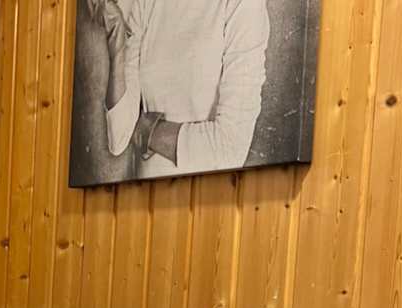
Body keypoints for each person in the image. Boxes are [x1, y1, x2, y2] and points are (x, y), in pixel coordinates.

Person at [92, 0, 270, 178]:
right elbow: (118, 137)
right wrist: (117, 41)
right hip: (145, 189)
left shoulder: (245, 5)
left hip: (208, 190)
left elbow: (230, 149)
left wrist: (146, 130)